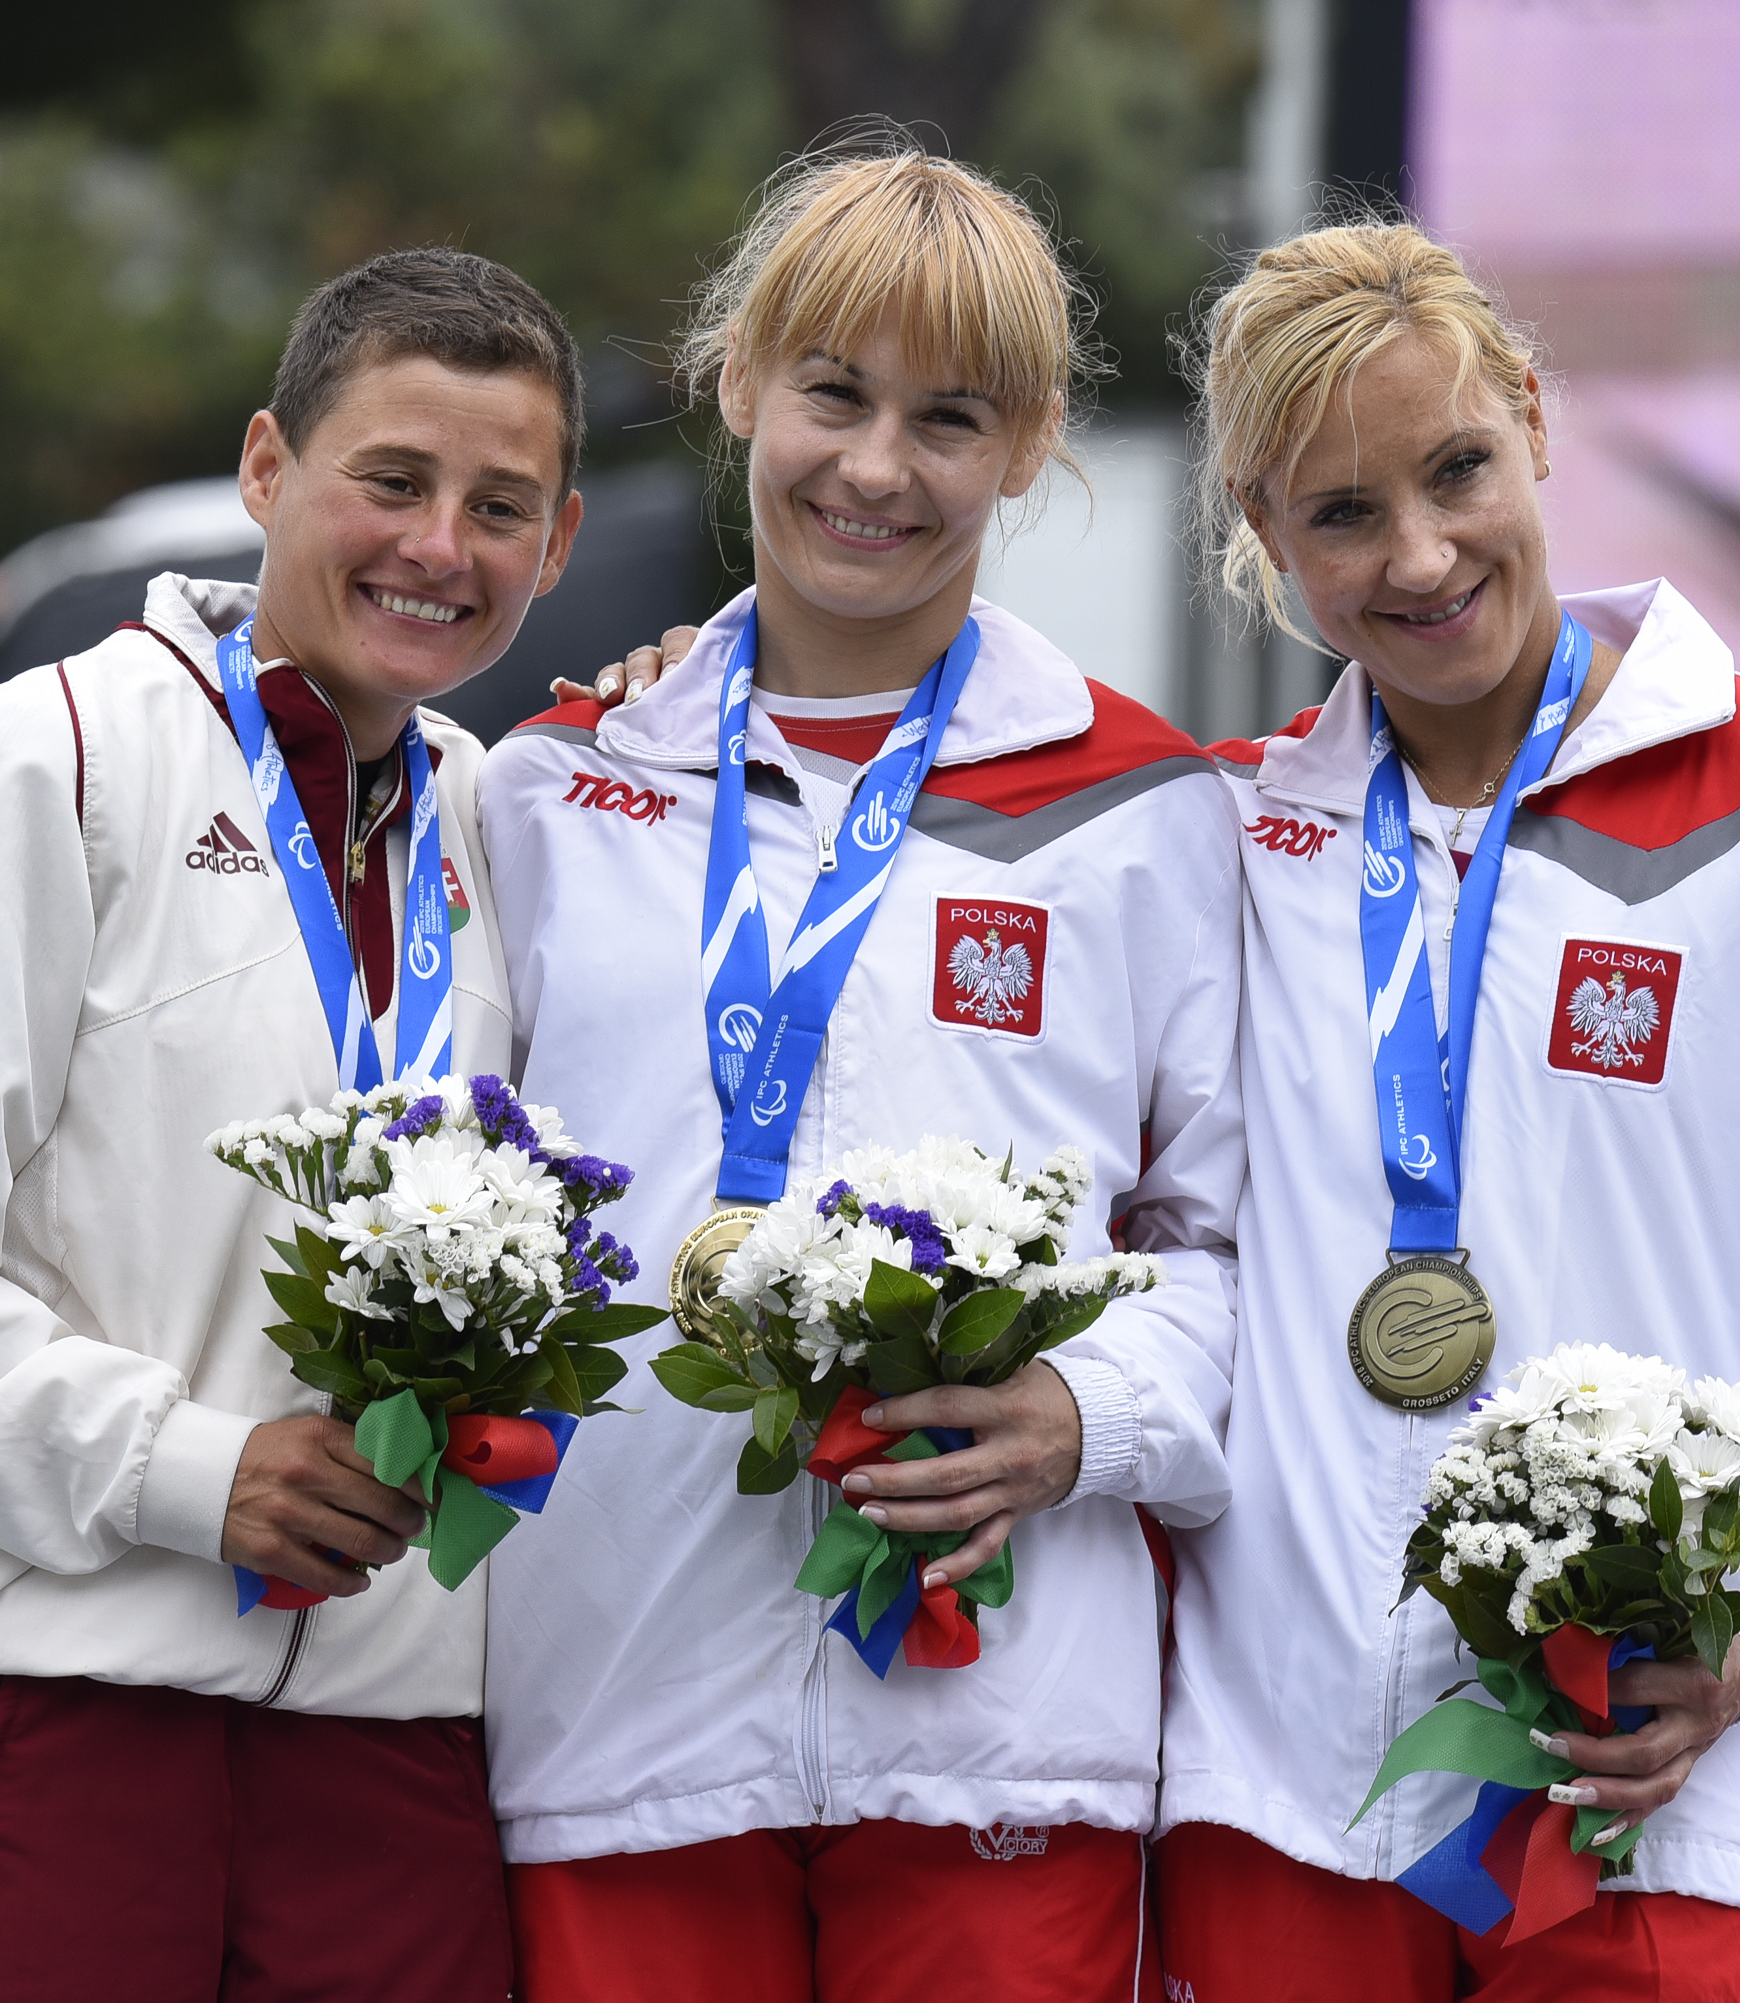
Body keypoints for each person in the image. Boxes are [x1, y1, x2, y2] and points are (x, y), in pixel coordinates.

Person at [1150, 223, 1740, 1999]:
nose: (1419, 556)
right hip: (1278, 1818)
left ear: (1536, 427)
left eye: (1458, 470)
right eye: (1341, 515)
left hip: (1658, 1800)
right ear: (1265, 533)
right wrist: (680, 685)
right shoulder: (1217, 840)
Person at [0, 247, 586, 2002]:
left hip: (399, 1750)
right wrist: (194, 1477)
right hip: (55, 1716)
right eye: (394, 480)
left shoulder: (517, 831)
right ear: (269, 470)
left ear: (557, 547)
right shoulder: (32, 770)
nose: (442, 547)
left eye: (500, 505)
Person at [469, 140, 1244, 2003]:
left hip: (1009, 1729)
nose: (878, 468)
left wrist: (1089, 1416)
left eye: (950, 417)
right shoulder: (557, 794)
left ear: (1031, 443)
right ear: (739, 379)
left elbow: (1237, 1249)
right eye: (832, 394)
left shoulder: (1143, 813)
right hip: (624, 1713)